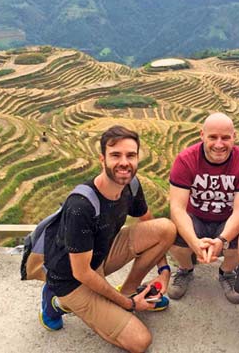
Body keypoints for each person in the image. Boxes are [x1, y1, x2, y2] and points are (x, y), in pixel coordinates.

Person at [40, 125, 177, 353]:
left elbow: (147, 219)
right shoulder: (80, 206)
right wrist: (131, 306)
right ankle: (56, 302)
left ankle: (129, 290)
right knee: (140, 341)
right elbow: (81, 273)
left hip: (100, 254)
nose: (124, 162)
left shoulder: (130, 185)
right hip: (72, 279)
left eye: (130, 155)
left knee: (166, 228)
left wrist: (164, 271)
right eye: (116, 155)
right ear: (102, 159)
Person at [167, 112, 239, 303]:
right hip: (195, 216)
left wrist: (222, 240)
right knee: (173, 235)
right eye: (213, 137)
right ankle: (185, 269)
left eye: (225, 138)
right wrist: (193, 242)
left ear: (234, 137)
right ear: (202, 135)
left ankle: (227, 273)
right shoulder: (185, 160)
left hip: (228, 217)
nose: (219, 144)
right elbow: (177, 208)